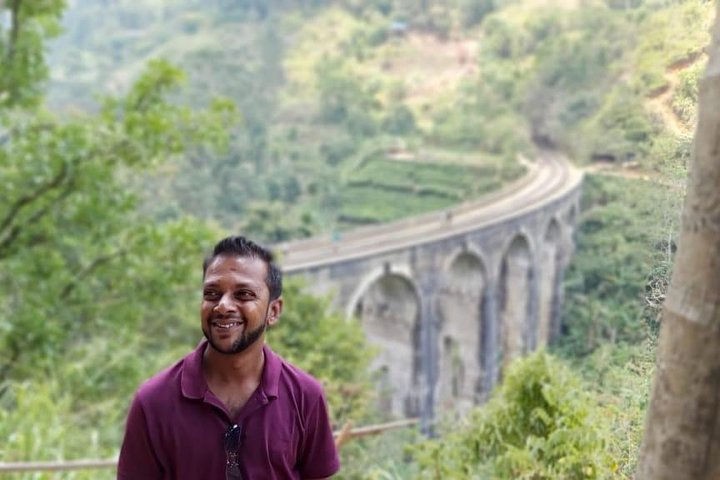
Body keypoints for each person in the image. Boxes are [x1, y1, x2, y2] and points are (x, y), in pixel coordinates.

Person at [117, 236, 340, 479]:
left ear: (273, 311)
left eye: (243, 294)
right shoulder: (154, 401)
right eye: (212, 293)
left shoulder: (305, 395)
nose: (223, 306)